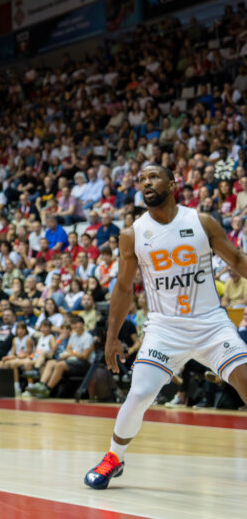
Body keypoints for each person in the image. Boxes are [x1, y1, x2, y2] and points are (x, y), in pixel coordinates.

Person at [85, 163, 247, 489]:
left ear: (172, 183)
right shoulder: (132, 235)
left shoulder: (200, 222)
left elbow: (239, 261)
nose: (146, 182)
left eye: (153, 176)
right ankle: (114, 457)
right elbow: (122, 288)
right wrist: (111, 338)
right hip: (164, 329)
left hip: (211, 325)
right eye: (141, 179)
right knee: (140, 393)